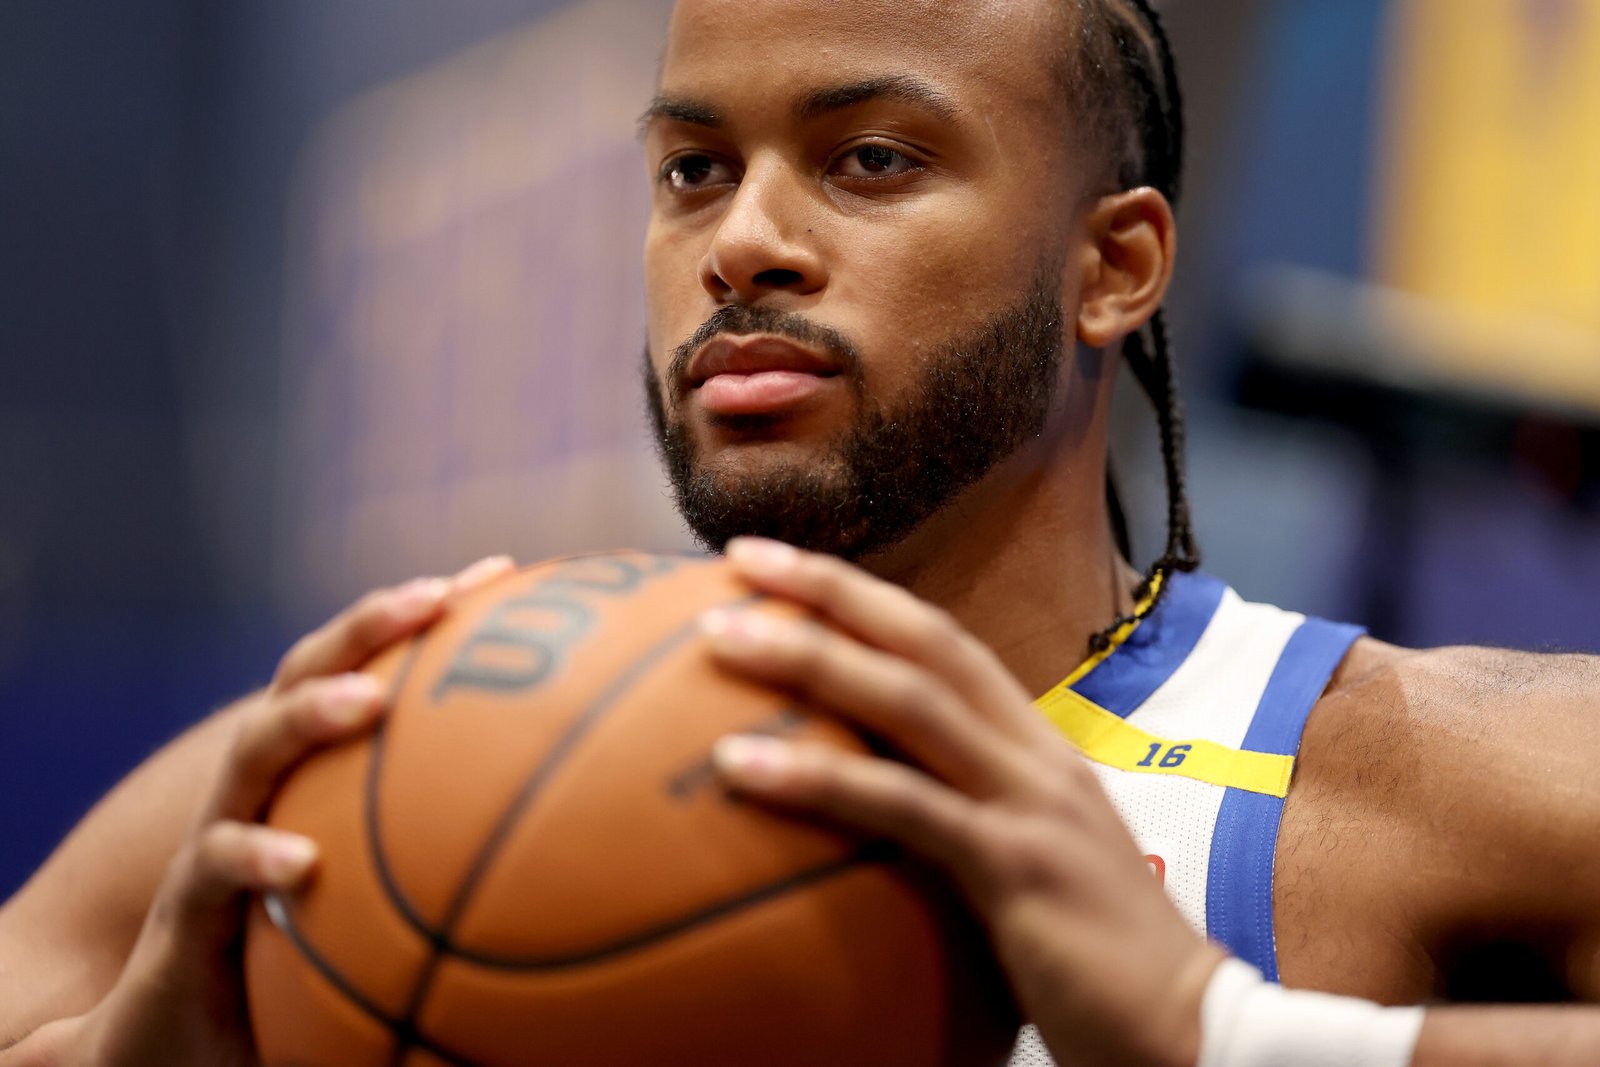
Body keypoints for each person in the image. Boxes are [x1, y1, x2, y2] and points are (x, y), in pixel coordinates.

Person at [4, 0, 1600, 1064]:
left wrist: (1222, 1034)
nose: (744, 242)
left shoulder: (1381, 775)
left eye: (871, 161)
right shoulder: (373, 759)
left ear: (1111, 266)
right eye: (693, 170)